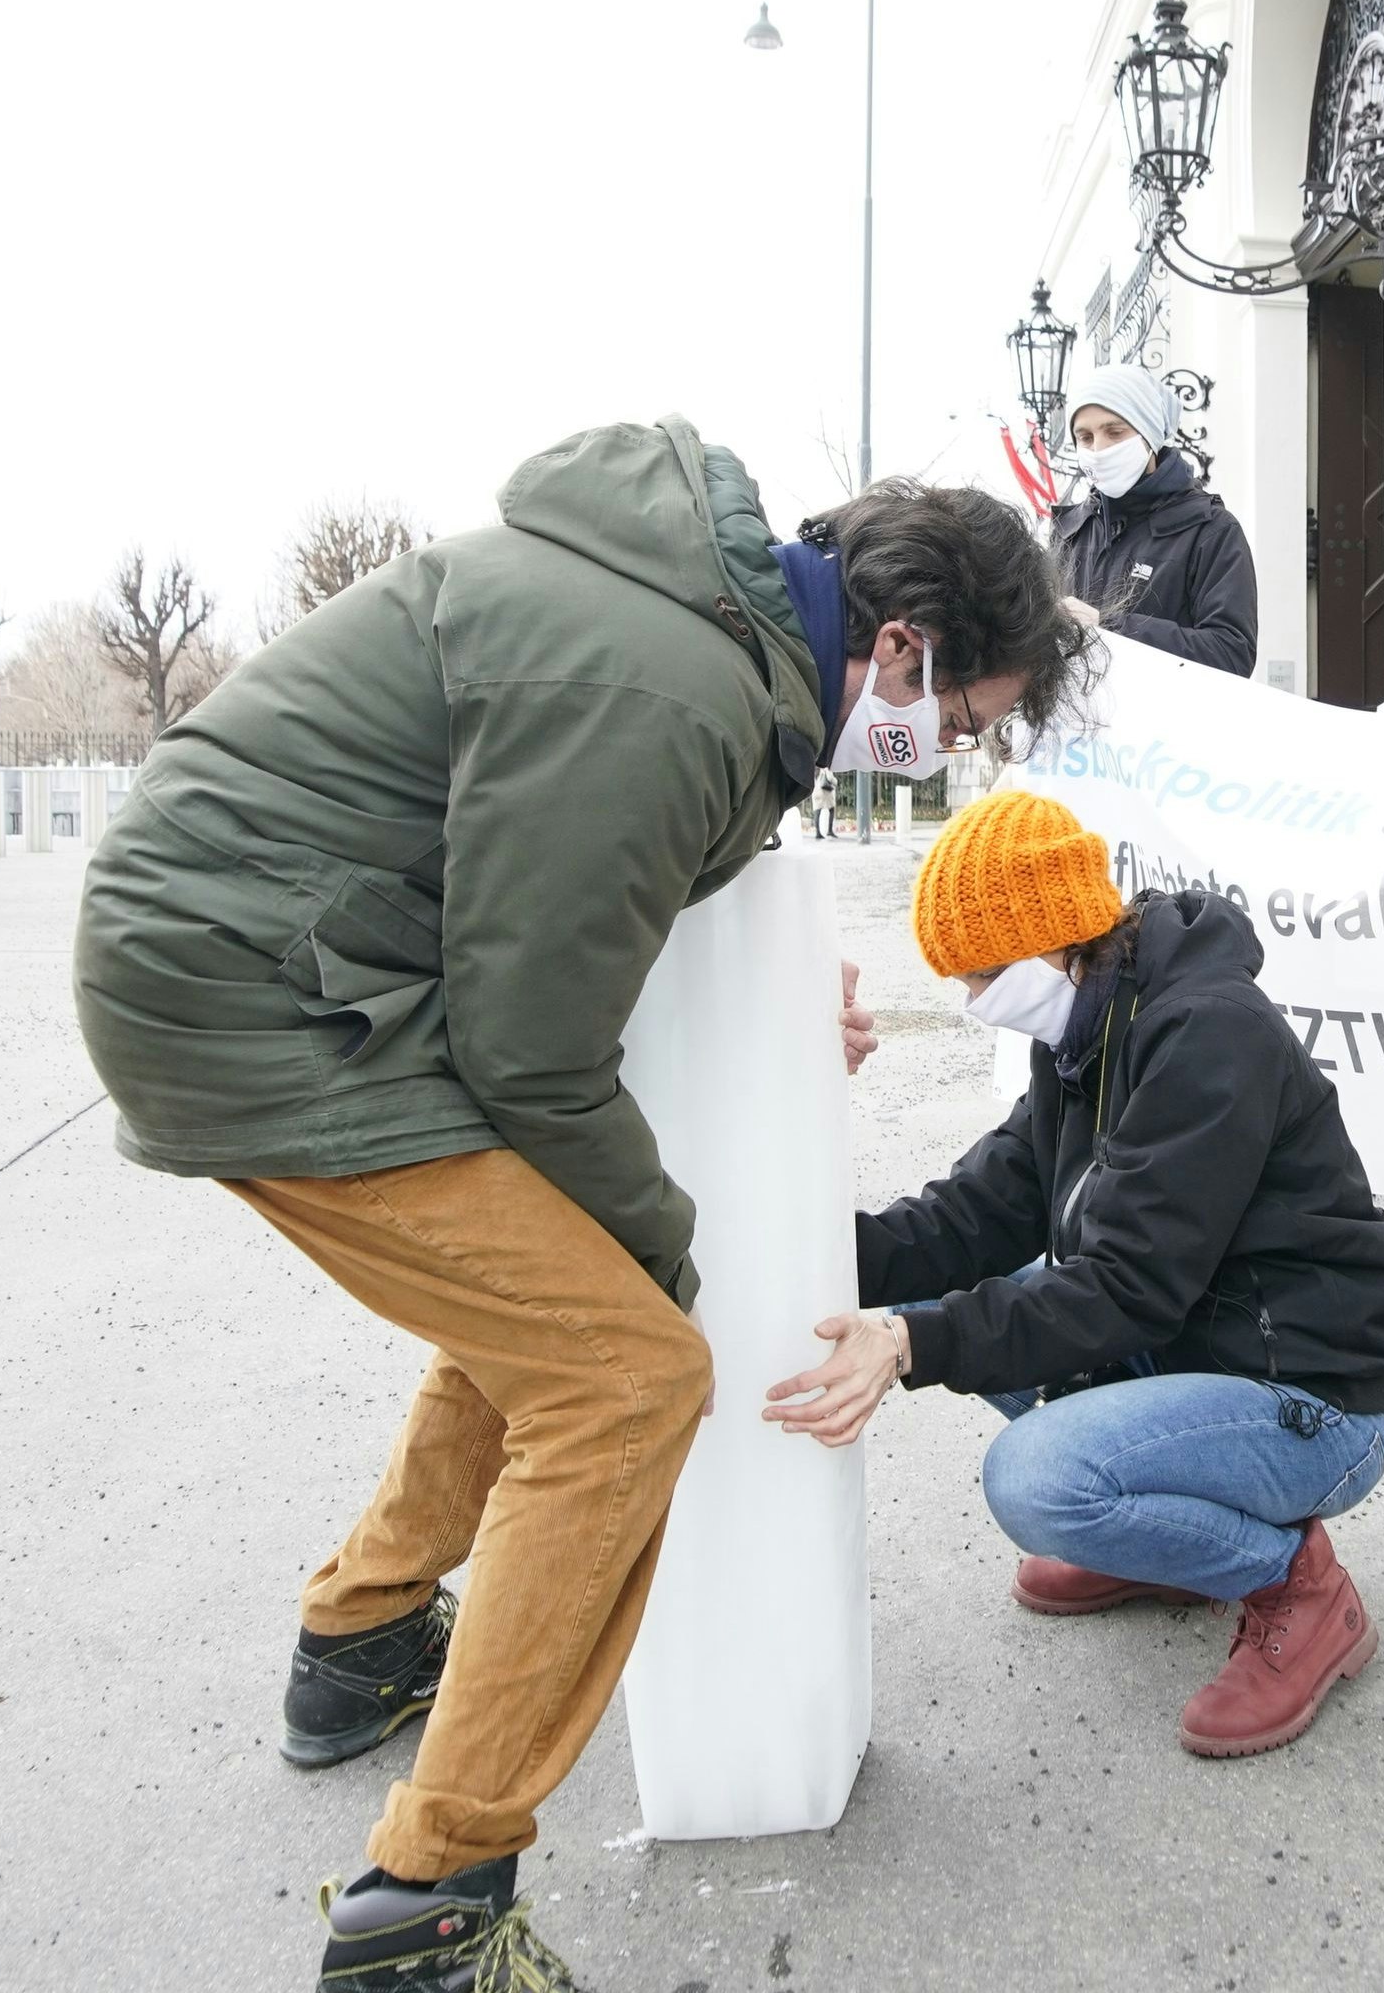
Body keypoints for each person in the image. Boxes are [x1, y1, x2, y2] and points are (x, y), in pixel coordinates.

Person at [73, 418, 1085, 1993]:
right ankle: (429, 1906)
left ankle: (362, 1636)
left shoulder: (703, 643)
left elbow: (583, 901)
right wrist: (671, 1252)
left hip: (292, 962)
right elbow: (535, 1047)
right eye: (960, 716)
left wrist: (772, 1007)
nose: (946, 750)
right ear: (900, 644)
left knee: (550, 1299)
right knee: (625, 1370)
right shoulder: (673, 687)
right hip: (249, 994)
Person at [761, 790, 1384, 1758]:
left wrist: (908, 1345)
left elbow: (1127, 1286)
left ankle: (1295, 1584)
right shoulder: (1084, 1035)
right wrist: (799, 1249)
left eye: (985, 973)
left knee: (1039, 1480)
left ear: (1056, 940)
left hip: (1310, 1395)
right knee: (918, 1307)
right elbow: (978, 1212)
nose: (974, 999)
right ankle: (1168, 1547)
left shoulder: (1207, 1033)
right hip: (1193, 1347)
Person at [1049, 363, 1260, 676]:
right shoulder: (1070, 531)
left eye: (1115, 432)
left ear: (1149, 435)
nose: (1099, 449)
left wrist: (1107, 628)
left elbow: (1231, 653)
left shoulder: (1211, 530)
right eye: (1085, 437)